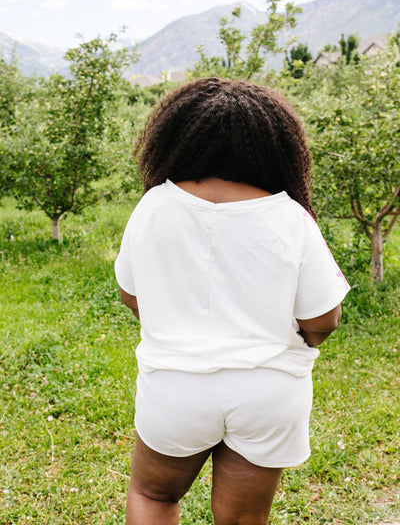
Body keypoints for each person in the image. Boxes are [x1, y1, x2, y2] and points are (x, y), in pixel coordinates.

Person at [115, 77, 350, 525]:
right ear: (277, 146)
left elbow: (132, 294)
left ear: (175, 137)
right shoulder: (290, 217)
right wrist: (302, 340)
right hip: (268, 391)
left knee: (154, 495)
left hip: (175, 389)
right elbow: (324, 318)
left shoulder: (154, 206)